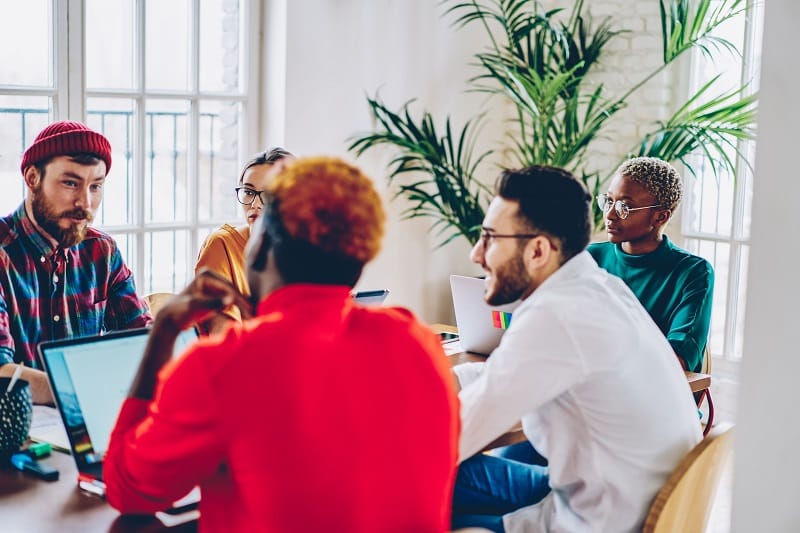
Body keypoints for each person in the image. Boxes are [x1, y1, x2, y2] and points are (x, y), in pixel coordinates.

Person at [104, 156, 460, 532]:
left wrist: (162, 334)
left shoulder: (225, 364)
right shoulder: (417, 340)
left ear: (259, 251)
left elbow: (128, 490)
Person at [451, 165, 702, 532]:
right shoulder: (600, 288)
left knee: (412, 491)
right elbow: (508, 372)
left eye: (490, 238)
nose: (477, 254)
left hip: (597, 520)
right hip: (622, 496)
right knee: (457, 474)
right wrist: (439, 378)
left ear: (538, 250)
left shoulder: (556, 316)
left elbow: (453, 436)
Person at [0, 121, 151, 404]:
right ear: (32, 178)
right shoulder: (3, 256)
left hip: (90, 428)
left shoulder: (102, 251)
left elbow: (142, 342)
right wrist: (86, 391)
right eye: (70, 183)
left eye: (96, 186)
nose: (85, 202)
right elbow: (1, 374)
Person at [589, 157, 714, 373]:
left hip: (655, 398)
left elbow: (677, 360)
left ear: (660, 216)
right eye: (608, 201)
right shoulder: (590, 257)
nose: (609, 215)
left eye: (624, 207)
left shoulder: (693, 273)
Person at [194, 147, 293, 335]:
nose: (254, 204)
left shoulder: (306, 248)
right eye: (248, 192)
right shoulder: (222, 245)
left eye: (267, 194)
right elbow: (221, 336)